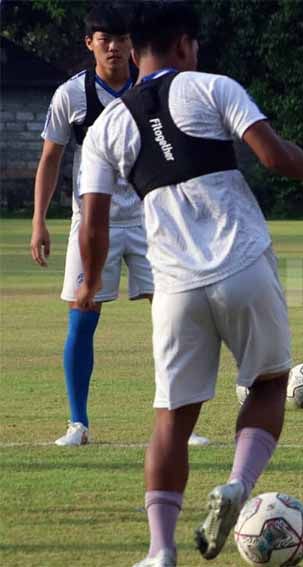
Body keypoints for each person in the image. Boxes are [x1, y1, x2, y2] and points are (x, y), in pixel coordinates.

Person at [76, 3, 303, 566]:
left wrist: (91, 282)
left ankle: (160, 550)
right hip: (242, 264)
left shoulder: (106, 127)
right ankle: (239, 485)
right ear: (183, 46)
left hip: (173, 287)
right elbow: (271, 154)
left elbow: (93, 220)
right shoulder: (211, 86)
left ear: (136, 48)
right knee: (268, 385)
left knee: (172, 418)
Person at [30, 3, 209, 448]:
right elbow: (50, 159)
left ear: (133, 46)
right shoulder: (70, 96)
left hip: (152, 219)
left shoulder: (154, 89)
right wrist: (39, 222)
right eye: (104, 39)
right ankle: (78, 424)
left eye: (121, 39)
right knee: (83, 318)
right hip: (91, 223)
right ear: (89, 43)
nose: (113, 47)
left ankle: (181, 424)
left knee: (174, 317)